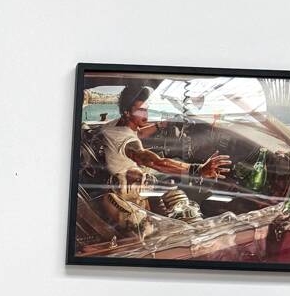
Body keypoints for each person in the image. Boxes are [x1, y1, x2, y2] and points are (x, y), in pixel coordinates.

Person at [95, 84, 230, 235]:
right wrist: (197, 169)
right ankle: (191, 231)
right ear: (127, 112)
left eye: (145, 109)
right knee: (177, 195)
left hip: (128, 175)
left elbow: (138, 133)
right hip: (128, 187)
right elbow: (153, 161)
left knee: (172, 168)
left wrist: (162, 125)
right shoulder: (127, 141)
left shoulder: (113, 125)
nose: (145, 114)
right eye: (139, 110)